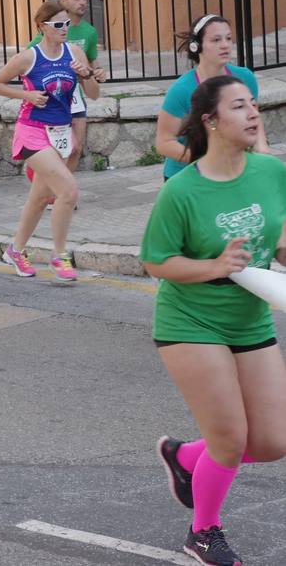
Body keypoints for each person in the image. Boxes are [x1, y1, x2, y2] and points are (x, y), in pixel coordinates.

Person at [141, 75, 286, 566]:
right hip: (191, 320)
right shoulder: (181, 192)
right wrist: (214, 267)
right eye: (239, 106)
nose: (252, 114)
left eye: (253, 105)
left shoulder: (270, 171)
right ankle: (203, 532)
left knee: (271, 442)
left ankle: (185, 458)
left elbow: (280, 238)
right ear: (211, 121)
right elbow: (156, 260)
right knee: (229, 438)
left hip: (250, 316)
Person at [0, 0, 104, 282]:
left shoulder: (74, 52)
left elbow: (94, 94)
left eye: (67, 24)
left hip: (59, 132)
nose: (65, 29)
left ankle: (15, 250)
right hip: (31, 131)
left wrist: (87, 74)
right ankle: (60, 257)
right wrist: (25, 95)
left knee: (40, 198)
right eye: (58, 25)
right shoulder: (28, 58)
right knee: (69, 190)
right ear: (42, 27)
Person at [156, 14, 268, 181]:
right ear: (197, 46)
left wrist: (262, 148)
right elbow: (164, 142)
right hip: (186, 175)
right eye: (216, 40)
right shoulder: (181, 90)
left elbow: (253, 117)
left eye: (228, 38)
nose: (225, 45)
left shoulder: (245, 78)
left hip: (232, 169)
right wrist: (206, 161)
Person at [29, 0, 99, 180]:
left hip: (75, 96)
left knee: (75, 148)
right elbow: (29, 65)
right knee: (55, 150)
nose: (83, 2)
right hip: (52, 97)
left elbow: (92, 67)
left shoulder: (89, 32)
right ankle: (54, 187)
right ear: (63, 1)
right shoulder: (44, 36)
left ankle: (62, 190)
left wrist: (94, 74)